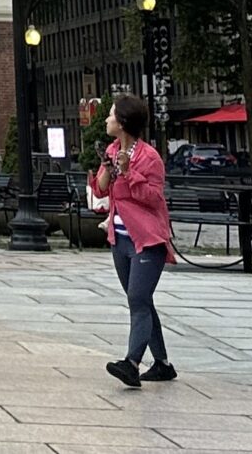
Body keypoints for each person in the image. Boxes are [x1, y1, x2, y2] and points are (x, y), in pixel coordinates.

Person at [89, 92, 177, 387]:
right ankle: (163, 364)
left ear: (124, 122)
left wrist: (130, 173)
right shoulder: (113, 150)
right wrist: (107, 168)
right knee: (142, 300)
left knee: (137, 299)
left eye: (111, 114)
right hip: (120, 239)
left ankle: (131, 363)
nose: (107, 118)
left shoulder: (148, 157)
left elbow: (153, 198)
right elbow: (101, 192)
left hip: (146, 240)